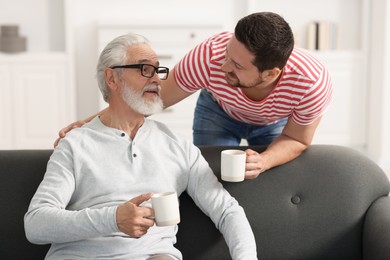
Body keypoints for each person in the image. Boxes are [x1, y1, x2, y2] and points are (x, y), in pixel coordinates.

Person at [24, 33, 257, 260]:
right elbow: (36, 224)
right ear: (112, 78)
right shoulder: (75, 145)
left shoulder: (176, 146)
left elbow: (227, 211)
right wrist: (113, 219)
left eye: (158, 70)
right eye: (145, 69)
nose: (157, 79)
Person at [56, 12, 333, 179]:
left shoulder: (312, 83)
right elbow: (156, 97)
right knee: (209, 177)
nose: (223, 66)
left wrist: (264, 160)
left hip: (274, 123)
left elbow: (297, 138)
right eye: (228, 54)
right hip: (218, 111)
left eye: (237, 66)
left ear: (270, 74)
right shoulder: (210, 55)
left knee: (265, 176)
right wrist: (91, 122)